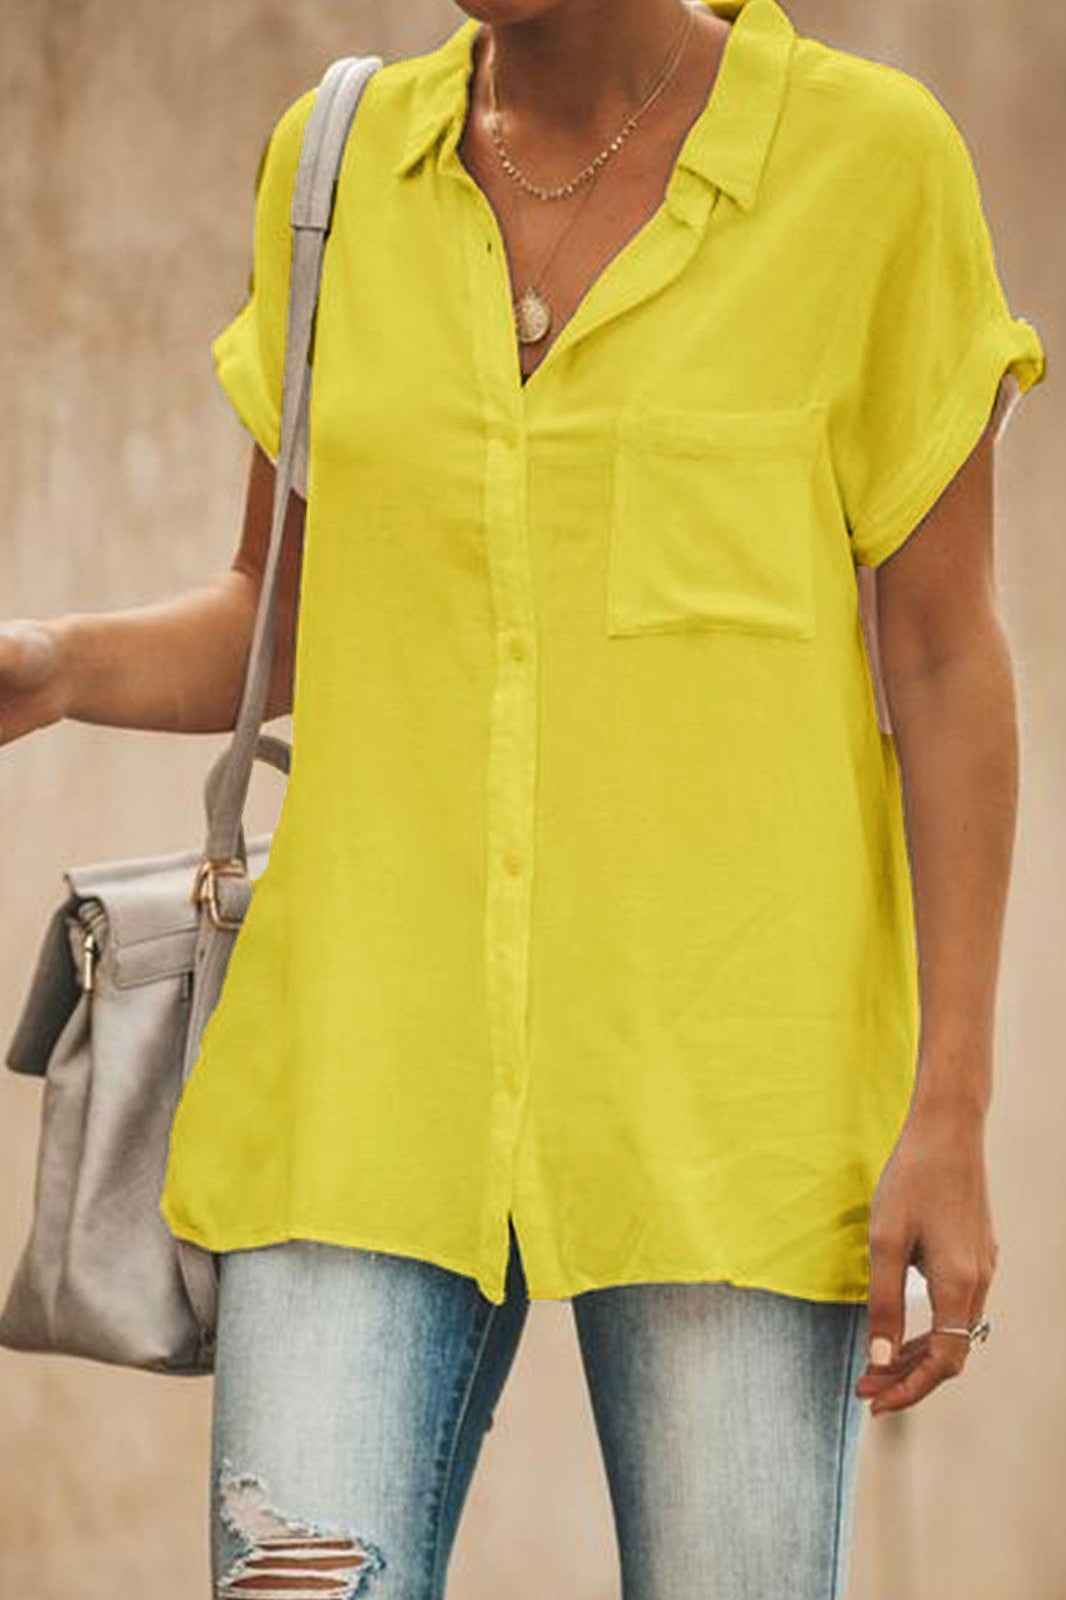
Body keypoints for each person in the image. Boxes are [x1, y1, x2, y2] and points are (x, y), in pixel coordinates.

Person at [1, 1, 1045, 1595]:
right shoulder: (335, 167)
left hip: (731, 1101)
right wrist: (59, 664)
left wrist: (948, 1110)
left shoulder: (868, 167)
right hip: (361, 1083)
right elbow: (287, 611)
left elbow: (946, 661)